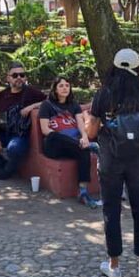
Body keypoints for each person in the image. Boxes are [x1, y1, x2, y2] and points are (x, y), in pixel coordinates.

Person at [87, 49, 139, 277]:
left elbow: (91, 133)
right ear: (137, 67)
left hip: (111, 160)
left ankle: (114, 265)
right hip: (138, 161)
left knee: (111, 210)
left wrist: (86, 125)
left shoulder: (103, 94)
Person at [0, 62, 45, 180]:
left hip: (22, 136)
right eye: (15, 75)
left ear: (26, 77)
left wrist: (32, 106)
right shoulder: (2, 95)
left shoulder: (33, 93)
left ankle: (8, 170)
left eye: (22, 75)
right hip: (5, 132)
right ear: (8, 78)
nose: (19, 78)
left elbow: (51, 101)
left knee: (14, 149)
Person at [38, 76, 101, 208]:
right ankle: (88, 146)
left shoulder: (74, 105)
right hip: (53, 145)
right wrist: (74, 141)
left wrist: (84, 138)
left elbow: (81, 126)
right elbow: (45, 130)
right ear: (55, 89)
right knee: (56, 136)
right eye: (61, 86)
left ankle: (83, 192)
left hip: (72, 145)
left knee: (84, 150)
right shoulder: (47, 105)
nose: (65, 88)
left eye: (67, 85)